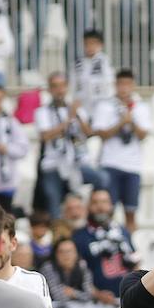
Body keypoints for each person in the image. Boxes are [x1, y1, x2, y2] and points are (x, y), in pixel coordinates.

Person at [34, 72, 104, 214]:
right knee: (54, 205)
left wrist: (77, 115)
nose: (59, 90)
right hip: (53, 165)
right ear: (49, 89)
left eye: (62, 86)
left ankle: (90, 213)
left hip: (76, 163)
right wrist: (69, 118)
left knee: (102, 180)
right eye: (55, 86)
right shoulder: (42, 112)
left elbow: (89, 133)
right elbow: (46, 136)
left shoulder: (76, 109)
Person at [91, 70, 151, 232]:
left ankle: (130, 247)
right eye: (121, 84)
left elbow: (143, 134)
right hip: (110, 163)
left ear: (133, 85)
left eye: (127, 84)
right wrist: (120, 123)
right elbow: (101, 134)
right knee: (106, 210)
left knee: (131, 211)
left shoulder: (141, 107)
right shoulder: (105, 106)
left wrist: (131, 122)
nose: (124, 88)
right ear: (115, 85)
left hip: (132, 165)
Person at [73, 189, 139, 298]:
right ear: (88, 206)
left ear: (111, 205)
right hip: (95, 303)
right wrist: (96, 294)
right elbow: (77, 272)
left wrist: (136, 289)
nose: (100, 207)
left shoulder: (122, 231)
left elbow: (135, 261)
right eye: (95, 202)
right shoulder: (79, 236)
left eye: (104, 202)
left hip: (127, 298)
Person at [41, 236, 98, 303]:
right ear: (55, 255)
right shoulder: (48, 268)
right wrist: (79, 294)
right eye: (61, 252)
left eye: (69, 251)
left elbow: (90, 295)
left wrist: (73, 293)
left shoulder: (82, 265)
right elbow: (58, 296)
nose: (66, 255)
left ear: (76, 253)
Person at [70, 29, 116, 112]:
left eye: (93, 43)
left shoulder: (104, 62)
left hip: (102, 105)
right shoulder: (77, 64)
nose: (90, 46)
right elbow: (73, 86)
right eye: (87, 43)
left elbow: (110, 84)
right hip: (83, 106)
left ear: (100, 45)